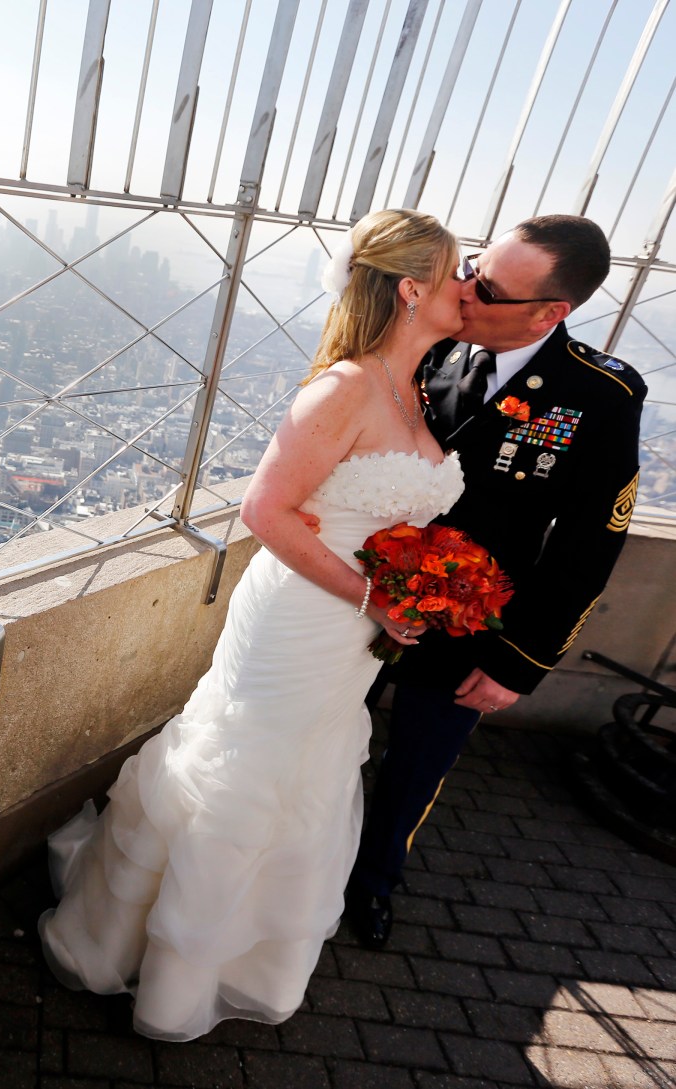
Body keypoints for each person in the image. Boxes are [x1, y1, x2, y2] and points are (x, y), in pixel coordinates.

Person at [38, 209, 466, 1041]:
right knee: (244, 771)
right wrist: (372, 597)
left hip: (351, 636)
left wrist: (417, 584)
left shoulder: (414, 385)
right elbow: (264, 511)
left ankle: (240, 955)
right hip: (302, 618)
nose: (467, 288)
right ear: (412, 289)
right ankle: (159, 967)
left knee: (309, 772)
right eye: (455, 274)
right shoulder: (344, 387)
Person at [346, 215, 646, 949]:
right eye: (473, 269)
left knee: (416, 766)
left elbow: (588, 546)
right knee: (328, 737)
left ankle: (373, 882)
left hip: (473, 623)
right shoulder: (430, 343)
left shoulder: (600, 394)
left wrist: (522, 662)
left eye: (487, 288)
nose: (465, 290)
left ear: (549, 313)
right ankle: (308, 860)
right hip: (362, 597)